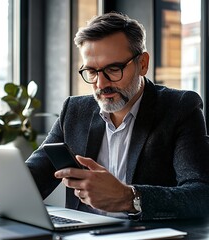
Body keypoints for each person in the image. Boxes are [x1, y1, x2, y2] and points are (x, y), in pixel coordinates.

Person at [26, 12, 209, 221]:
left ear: (143, 63)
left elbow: (201, 196)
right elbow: (32, 178)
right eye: (92, 72)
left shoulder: (179, 108)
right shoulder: (75, 111)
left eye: (113, 69)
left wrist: (128, 198)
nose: (101, 84)